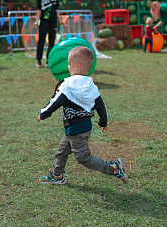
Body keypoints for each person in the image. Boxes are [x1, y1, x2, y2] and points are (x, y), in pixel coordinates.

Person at [37, 46, 129, 185]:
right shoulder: (92, 85)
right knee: (62, 151)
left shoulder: (67, 85)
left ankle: (114, 168)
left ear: (78, 66)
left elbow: (55, 102)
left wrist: (43, 114)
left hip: (75, 130)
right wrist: (103, 122)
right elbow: (100, 106)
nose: (68, 67)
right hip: (84, 127)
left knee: (83, 158)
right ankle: (57, 175)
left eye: (69, 64)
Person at [33, 0, 65, 68]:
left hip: (53, 22)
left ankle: (49, 60)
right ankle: (39, 61)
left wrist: (60, 21)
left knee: (52, 42)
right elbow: (39, 10)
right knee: (41, 41)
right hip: (43, 21)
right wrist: (36, 21)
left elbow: (56, 10)